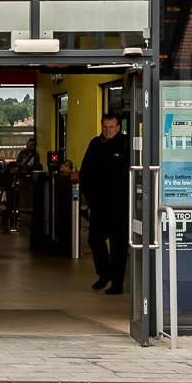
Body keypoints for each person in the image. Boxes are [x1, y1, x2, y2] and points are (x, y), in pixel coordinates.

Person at [79, 112, 132, 294]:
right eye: (105, 127)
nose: (108, 131)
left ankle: (117, 283)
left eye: (111, 127)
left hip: (120, 205)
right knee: (94, 239)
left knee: (118, 245)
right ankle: (104, 273)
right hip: (99, 204)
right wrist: (90, 198)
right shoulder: (95, 144)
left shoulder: (126, 144)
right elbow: (84, 172)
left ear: (118, 127)